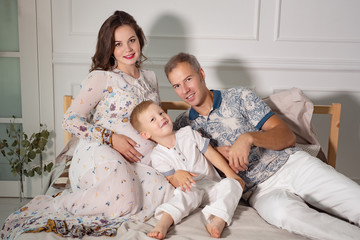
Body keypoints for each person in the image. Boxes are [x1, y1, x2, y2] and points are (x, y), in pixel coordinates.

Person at [164, 52, 360, 240]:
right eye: (177, 86)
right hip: (258, 192)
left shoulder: (239, 96)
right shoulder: (182, 127)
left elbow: (286, 136)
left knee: (354, 202)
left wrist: (249, 138)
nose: (185, 90)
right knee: (285, 215)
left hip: (291, 165)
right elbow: (170, 162)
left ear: (201, 74)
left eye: (188, 79)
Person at [60, 10, 167, 218]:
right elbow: (70, 120)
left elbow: (155, 124)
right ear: (109, 48)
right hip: (100, 152)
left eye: (132, 40)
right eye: (118, 44)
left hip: (136, 161)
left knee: (162, 194)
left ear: (140, 40)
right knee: (125, 198)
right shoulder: (102, 78)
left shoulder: (150, 78)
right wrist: (111, 139)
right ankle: (62, 205)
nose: (127, 49)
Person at [130, 100, 245, 239]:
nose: (161, 117)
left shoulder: (188, 133)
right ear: (145, 135)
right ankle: (164, 223)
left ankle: (218, 220)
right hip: (192, 189)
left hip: (213, 186)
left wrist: (230, 174)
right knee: (182, 195)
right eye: (153, 119)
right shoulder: (157, 156)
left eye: (160, 113)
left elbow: (211, 154)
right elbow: (171, 180)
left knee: (232, 184)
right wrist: (177, 176)